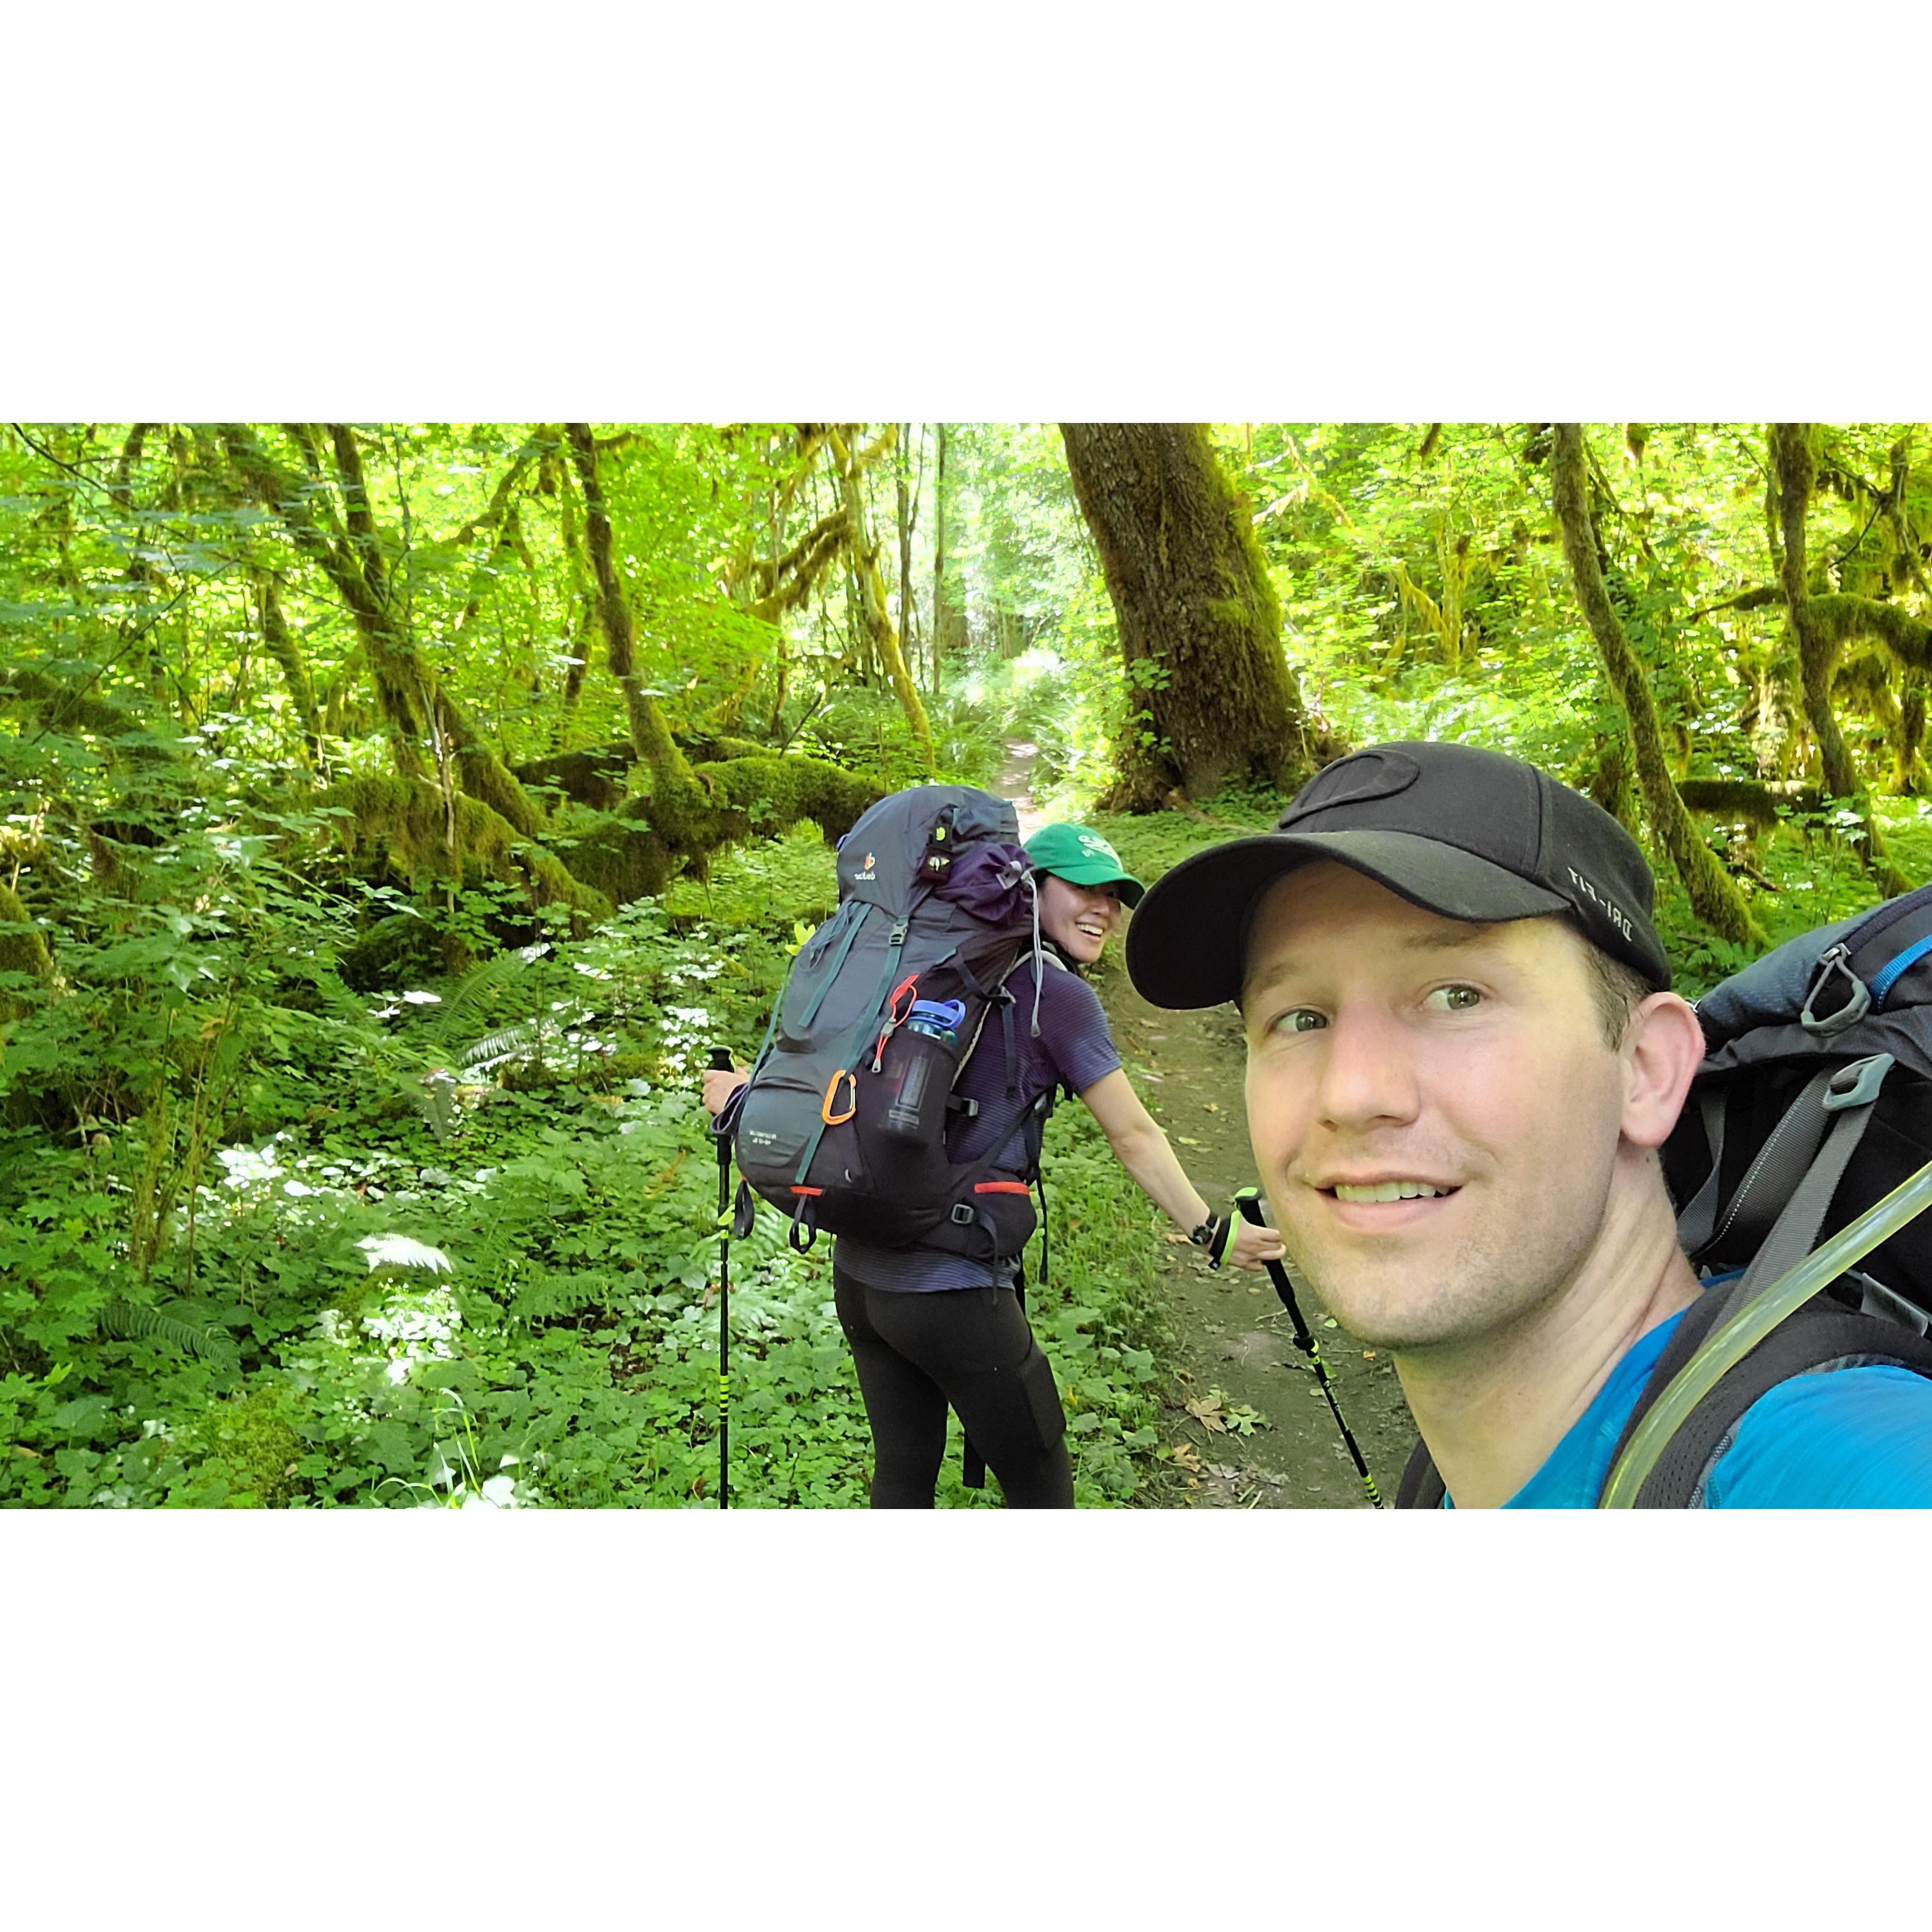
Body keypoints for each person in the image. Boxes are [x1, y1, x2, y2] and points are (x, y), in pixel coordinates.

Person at [1123, 740, 1932, 1507]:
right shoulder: (1455, 1479)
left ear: (1647, 1070)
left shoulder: (1829, 1469)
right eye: (1299, 1018)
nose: (1352, 1093)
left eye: (1456, 997)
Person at [702, 819, 1285, 1508]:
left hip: (862, 1283)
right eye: (1083, 888)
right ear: (1027, 887)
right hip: (952, 1293)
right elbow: (1133, 1135)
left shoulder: (921, 969)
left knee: (903, 1474)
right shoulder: (1054, 993)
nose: (1106, 909)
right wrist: (1211, 1233)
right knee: (1042, 1491)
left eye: (1117, 896)